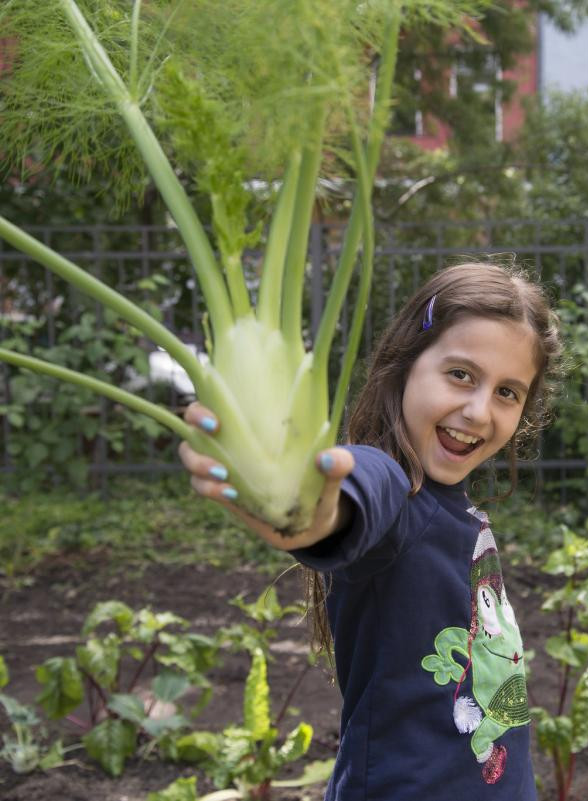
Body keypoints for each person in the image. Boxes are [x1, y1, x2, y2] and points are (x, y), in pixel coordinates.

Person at [178, 262, 564, 801]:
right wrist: (304, 513)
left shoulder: (453, 505)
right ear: (406, 365)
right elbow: (346, 505)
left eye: (507, 392)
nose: (479, 411)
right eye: (460, 375)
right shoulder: (391, 486)